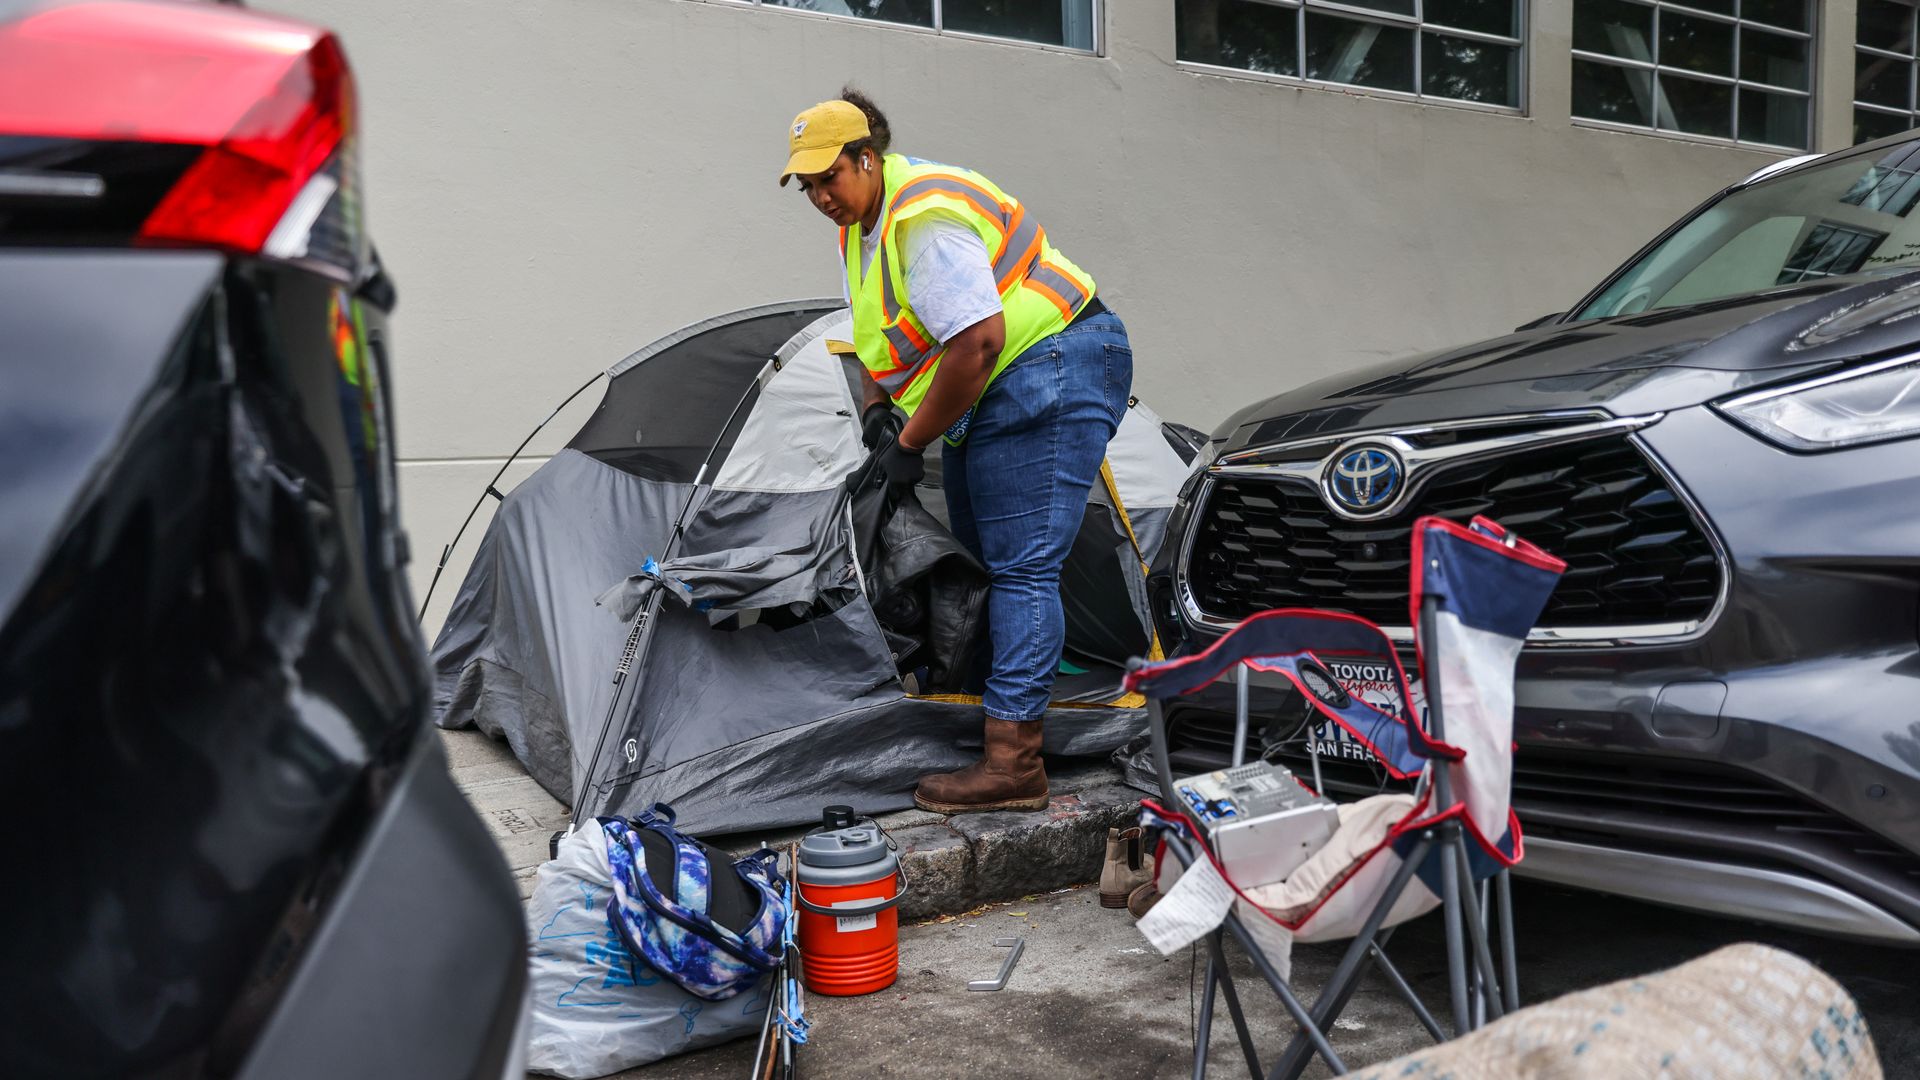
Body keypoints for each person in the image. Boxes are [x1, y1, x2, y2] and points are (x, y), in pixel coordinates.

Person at [780, 88, 1134, 814]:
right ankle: (1004, 708)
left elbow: (977, 340)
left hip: (1052, 363)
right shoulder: (863, 227)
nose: (820, 196)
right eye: (807, 185)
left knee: (1022, 566)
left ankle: (1014, 763)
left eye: (829, 177)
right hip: (1005, 382)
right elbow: (882, 335)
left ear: (867, 159)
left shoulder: (924, 218)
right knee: (987, 549)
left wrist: (911, 443)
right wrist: (881, 412)